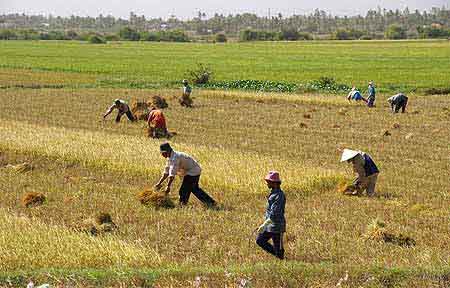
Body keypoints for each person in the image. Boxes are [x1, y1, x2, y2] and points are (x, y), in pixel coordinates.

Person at [154, 143, 217, 207]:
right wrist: (159, 183)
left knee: (184, 190)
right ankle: (211, 202)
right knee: (194, 189)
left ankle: (182, 204)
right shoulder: (170, 158)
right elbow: (166, 172)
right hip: (191, 171)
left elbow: (172, 174)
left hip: (193, 171)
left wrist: (168, 186)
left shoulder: (175, 158)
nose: (161, 155)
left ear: (166, 152)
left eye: (162, 153)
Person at [255, 171, 286, 260]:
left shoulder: (279, 195)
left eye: (269, 181)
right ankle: (278, 256)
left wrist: (265, 224)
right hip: (270, 225)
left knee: (278, 248)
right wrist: (266, 224)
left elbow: (275, 213)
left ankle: (280, 258)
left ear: (275, 183)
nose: (267, 183)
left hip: (277, 226)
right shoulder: (273, 193)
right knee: (260, 241)